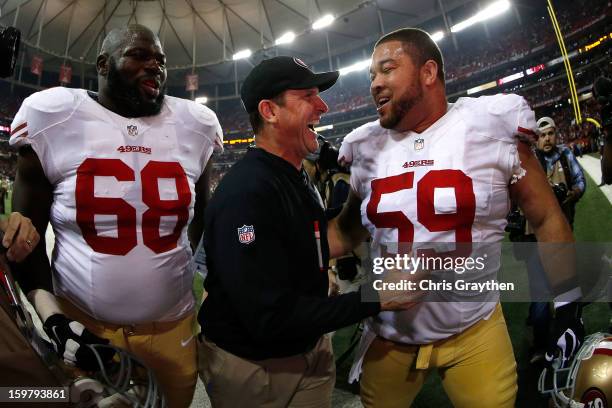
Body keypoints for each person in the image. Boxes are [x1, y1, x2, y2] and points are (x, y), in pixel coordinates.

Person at [328, 28, 584, 407]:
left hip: (474, 329)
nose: (375, 84)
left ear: (428, 72)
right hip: (388, 332)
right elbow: (345, 233)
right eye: (372, 76)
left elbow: (546, 218)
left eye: (387, 70)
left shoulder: (492, 127)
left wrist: (567, 305)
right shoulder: (364, 147)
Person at [9, 24, 222, 408]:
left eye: (160, 60)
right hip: (86, 329)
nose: (154, 66)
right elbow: (25, 239)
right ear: (104, 65)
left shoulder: (198, 124)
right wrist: (53, 318)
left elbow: (204, 221)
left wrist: (206, 284)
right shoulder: (53, 115)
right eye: (139, 56)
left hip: (173, 327)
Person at [198, 56, 404, 408]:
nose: (322, 106)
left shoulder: (292, 172)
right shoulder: (246, 193)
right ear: (270, 111)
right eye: (308, 96)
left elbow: (323, 239)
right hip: (256, 367)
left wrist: (365, 190)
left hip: (307, 347)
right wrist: (373, 298)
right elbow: (269, 318)